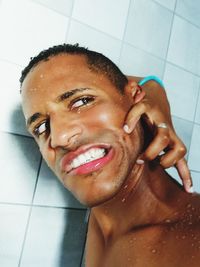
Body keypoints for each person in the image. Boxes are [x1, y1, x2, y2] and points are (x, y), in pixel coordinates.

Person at [20, 44, 200, 266]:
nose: (58, 137)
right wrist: (154, 90)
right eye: (40, 127)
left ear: (136, 98)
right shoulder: (104, 214)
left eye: (82, 101)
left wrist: (152, 92)